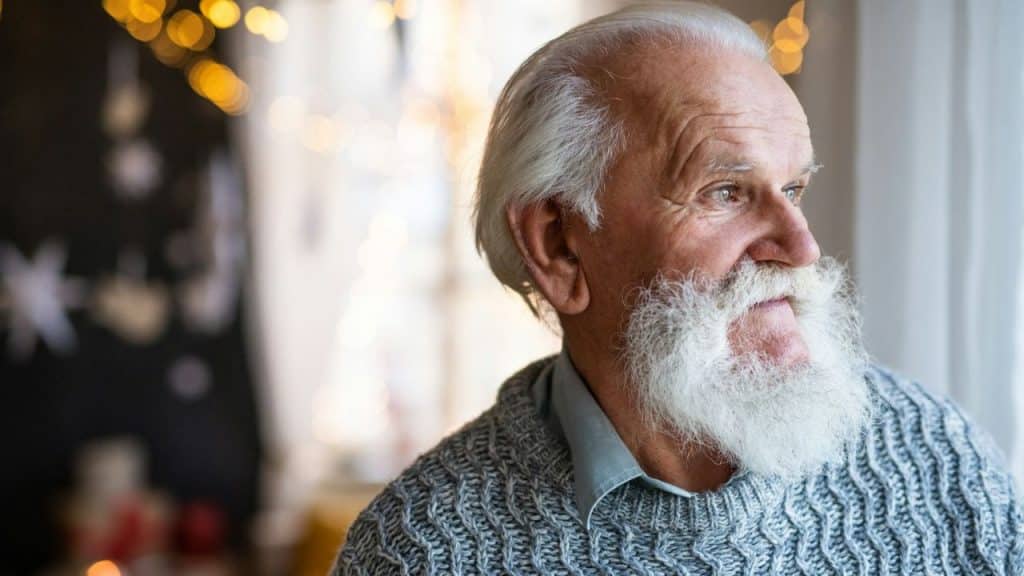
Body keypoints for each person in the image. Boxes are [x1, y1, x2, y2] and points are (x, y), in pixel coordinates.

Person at [332, 2, 1024, 574]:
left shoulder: (938, 459)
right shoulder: (421, 551)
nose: (801, 248)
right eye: (725, 192)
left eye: (792, 189)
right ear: (558, 245)